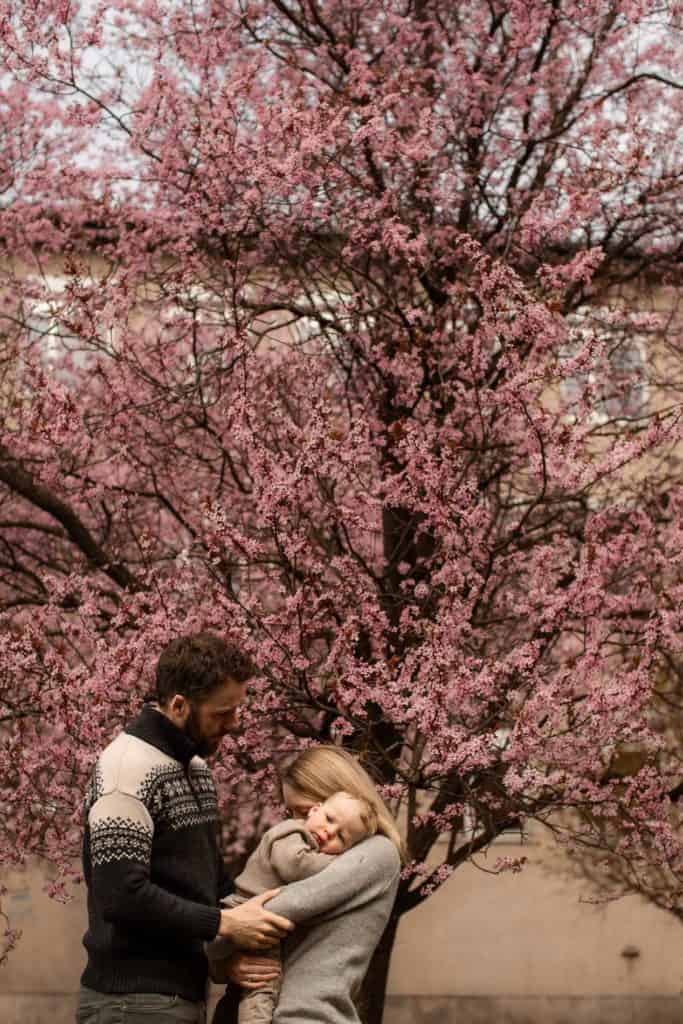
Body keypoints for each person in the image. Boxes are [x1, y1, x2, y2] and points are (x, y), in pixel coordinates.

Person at [76, 632, 293, 1024]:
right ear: (179, 704)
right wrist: (226, 923)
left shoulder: (196, 769)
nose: (235, 723)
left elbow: (208, 885)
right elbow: (120, 894)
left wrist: (226, 961)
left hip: (180, 999)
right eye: (222, 712)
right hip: (131, 1005)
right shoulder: (127, 769)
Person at [212, 746, 403, 1024]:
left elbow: (282, 907)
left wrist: (215, 929)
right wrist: (227, 966)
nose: (297, 823)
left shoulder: (377, 853)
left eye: (302, 812)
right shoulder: (312, 850)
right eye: (293, 813)